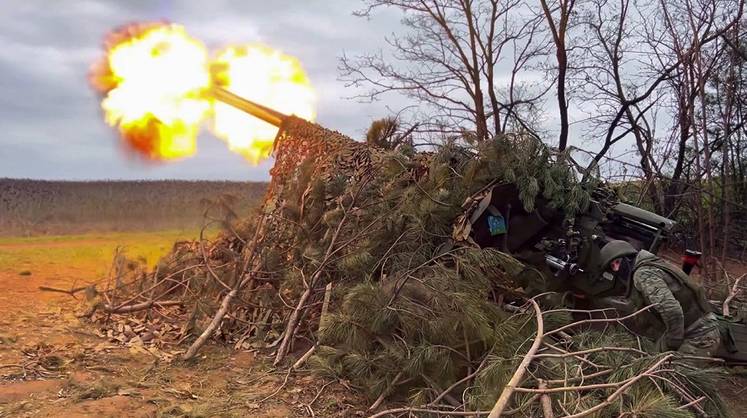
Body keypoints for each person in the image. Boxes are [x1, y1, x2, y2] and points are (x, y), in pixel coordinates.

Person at [598, 240, 720, 356]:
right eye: (613, 266)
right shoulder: (651, 264)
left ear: (628, 257)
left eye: (618, 262)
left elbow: (672, 311)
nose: (617, 268)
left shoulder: (643, 273)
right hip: (692, 329)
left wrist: (671, 344)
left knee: (669, 374)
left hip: (700, 334)